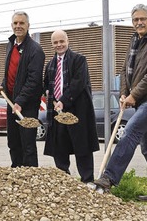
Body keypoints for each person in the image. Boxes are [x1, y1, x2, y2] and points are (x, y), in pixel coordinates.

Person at [93, 4, 147, 202]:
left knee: (130, 131)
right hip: (140, 99)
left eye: (143, 19)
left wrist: (134, 95)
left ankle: (108, 178)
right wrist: (123, 94)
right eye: (135, 19)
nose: (139, 22)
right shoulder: (134, 41)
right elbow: (124, 70)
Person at [42, 30, 99, 183]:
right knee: (59, 147)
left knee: (83, 148)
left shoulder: (79, 60)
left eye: (62, 41)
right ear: (52, 44)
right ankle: (64, 181)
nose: (59, 45)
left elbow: (78, 83)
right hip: (57, 113)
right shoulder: (50, 65)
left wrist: (64, 100)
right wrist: (47, 91)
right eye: (55, 42)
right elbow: (47, 83)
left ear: (67, 41)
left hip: (78, 110)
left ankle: (87, 181)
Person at [0, 11, 45, 167]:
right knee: (13, 142)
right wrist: (3, 84)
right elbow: (10, 72)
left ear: (28, 26)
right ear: (11, 25)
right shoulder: (11, 45)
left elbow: (33, 80)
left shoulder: (35, 50)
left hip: (27, 106)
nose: (18, 26)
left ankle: (30, 177)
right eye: (15, 23)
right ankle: (16, 173)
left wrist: (20, 101)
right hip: (12, 103)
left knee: (27, 144)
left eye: (21, 23)